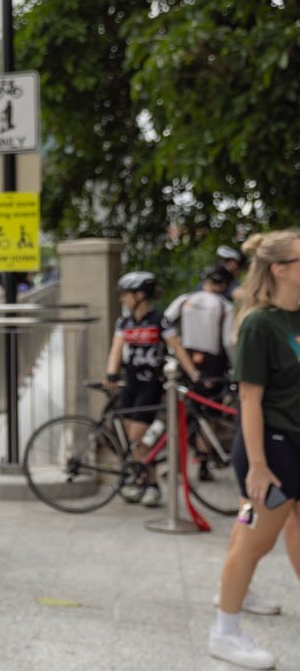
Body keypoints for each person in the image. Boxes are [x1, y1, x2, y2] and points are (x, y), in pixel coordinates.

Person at [208, 229, 300, 669]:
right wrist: (258, 467)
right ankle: (224, 632)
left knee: (271, 529)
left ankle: (237, 593)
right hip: (270, 449)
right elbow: (249, 398)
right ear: (279, 269)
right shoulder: (260, 323)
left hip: (294, 443)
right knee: (253, 540)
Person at [104, 271, 191, 507]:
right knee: (134, 443)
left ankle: (151, 485)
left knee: (137, 437)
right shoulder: (124, 322)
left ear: (140, 295)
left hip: (151, 384)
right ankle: (145, 481)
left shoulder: (160, 320)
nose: (122, 298)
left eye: (125, 294)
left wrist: (194, 375)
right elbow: (116, 348)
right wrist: (111, 373)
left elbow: (177, 348)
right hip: (130, 383)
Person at [164, 265, 236, 387]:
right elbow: (228, 341)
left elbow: (164, 323)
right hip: (213, 362)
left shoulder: (184, 300)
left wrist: (172, 349)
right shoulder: (226, 307)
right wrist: (235, 366)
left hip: (184, 358)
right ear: (224, 285)